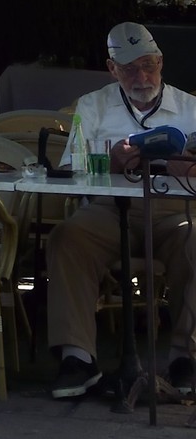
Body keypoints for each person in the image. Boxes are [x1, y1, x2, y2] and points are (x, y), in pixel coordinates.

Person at [49, 21, 196, 400]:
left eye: (148, 65)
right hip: (108, 207)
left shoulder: (191, 108)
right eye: (129, 68)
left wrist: (190, 167)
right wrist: (110, 162)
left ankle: (186, 357)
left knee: (195, 240)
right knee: (68, 237)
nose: (141, 75)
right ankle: (78, 357)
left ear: (161, 62)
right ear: (112, 69)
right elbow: (69, 170)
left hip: (172, 208)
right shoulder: (92, 105)